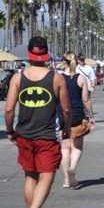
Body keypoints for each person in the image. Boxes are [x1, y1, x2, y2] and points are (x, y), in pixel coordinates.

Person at [4, 36, 72, 208]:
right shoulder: (56, 78)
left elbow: (9, 109)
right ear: (46, 54)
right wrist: (67, 128)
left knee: (30, 176)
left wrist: (10, 131)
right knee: (47, 175)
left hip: (24, 135)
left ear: (29, 53)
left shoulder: (18, 79)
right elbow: (66, 109)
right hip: (47, 135)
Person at [59, 52, 96, 188]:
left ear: (64, 62)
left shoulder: (58, 78)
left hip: (62, 115)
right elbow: (85, 100)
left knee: (64, 148)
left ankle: (66, 180)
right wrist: (91, 116)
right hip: (77, 115)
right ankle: (72, 168)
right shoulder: (81, 78)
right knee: (77, 146)